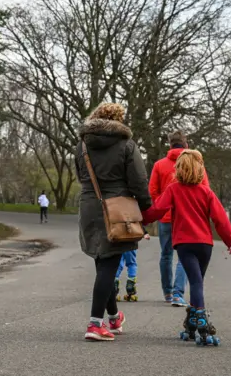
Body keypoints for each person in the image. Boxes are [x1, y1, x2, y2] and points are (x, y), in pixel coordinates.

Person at [75, 102, 151, 341]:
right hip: (117, 207)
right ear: (119, 120)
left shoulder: (83, 145)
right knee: (109, 266)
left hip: (89, 205)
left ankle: (114, 317)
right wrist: (146, 208)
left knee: (102, 263)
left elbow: (80, 175)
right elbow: (138, 180)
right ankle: (95, 324)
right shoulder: (126, 145)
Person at [142, 150, 231, 344]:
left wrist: (141, 220)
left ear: (178, 169)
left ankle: (199, 317)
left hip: (185, 243)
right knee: (197, 280)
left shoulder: (174, 189)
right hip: (204, 245)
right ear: (200, 169)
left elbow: (158, 209)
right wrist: (230, 240)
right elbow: (220, 219)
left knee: (195, 281)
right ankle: (192, 321)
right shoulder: (206, 192)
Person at [149, 130, 210, 307]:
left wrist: (160, 209)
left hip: (166, 218)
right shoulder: (197, 165)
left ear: (170, 145)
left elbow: (153, 190)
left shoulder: (159, 165)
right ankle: (178, 293)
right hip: (187, 219)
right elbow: (205, 189)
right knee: (186, 256)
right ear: (186, 145)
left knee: (166, 254)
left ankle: (167, 292)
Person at [114, 230, 151, 302]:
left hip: (119, 240)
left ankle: (114, 287)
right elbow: (137, 221)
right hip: (131, 240)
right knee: (131, 264)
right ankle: (131, 287)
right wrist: (145, 232)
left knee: (118, 264)